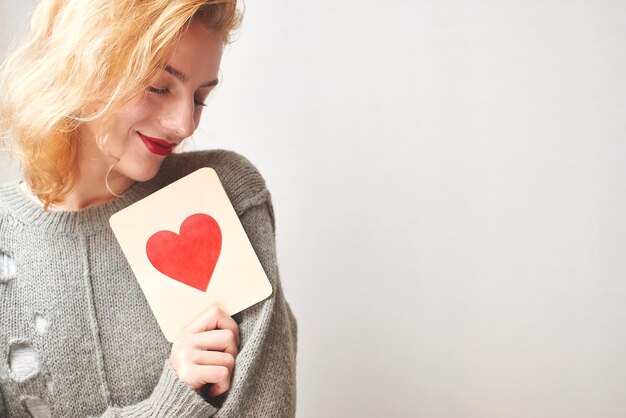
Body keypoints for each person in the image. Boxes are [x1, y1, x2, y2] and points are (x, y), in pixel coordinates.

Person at [0, 0, 297, 416]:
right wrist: (173, 402)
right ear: (82, 67)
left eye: (200, 98)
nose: (184, 124)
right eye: (159, 87)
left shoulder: (224, 196)